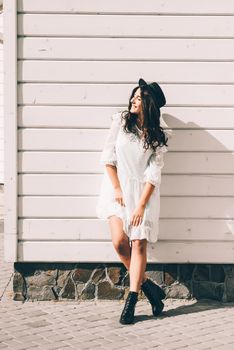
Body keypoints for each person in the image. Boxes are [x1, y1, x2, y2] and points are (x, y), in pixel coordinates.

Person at [96, 78, 171, 324]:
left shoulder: (158, 136)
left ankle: (131, 301)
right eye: (133, 97)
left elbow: (153, 175)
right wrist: (117, 189)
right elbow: (108, 158)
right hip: (118, 188)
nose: (132, 101)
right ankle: (151, 289)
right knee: (119, 242)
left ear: (148, 103)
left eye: (138, 98)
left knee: (138, 244)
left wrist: (140, 205)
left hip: (143, 194)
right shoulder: (121, 122)